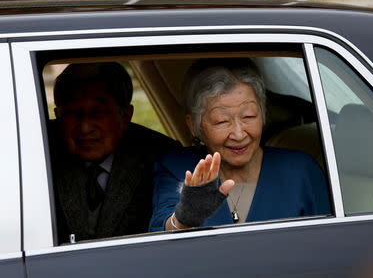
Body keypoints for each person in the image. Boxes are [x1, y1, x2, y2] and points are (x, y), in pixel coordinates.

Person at [150, 58, 330, 231]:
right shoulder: (176, 168)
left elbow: (329, 242)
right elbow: (159, 233)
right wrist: (183, 220)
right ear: (193, 126)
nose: (238, 134)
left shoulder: (301, 171)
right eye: (221, 121)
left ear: (263, 113)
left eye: (249, 116)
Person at [49, 62, 178, 243]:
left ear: (125, 116)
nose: (85, 127)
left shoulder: (162, 157)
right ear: (58, 116)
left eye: (98, 112)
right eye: (72, 112)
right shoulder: (32, 157)